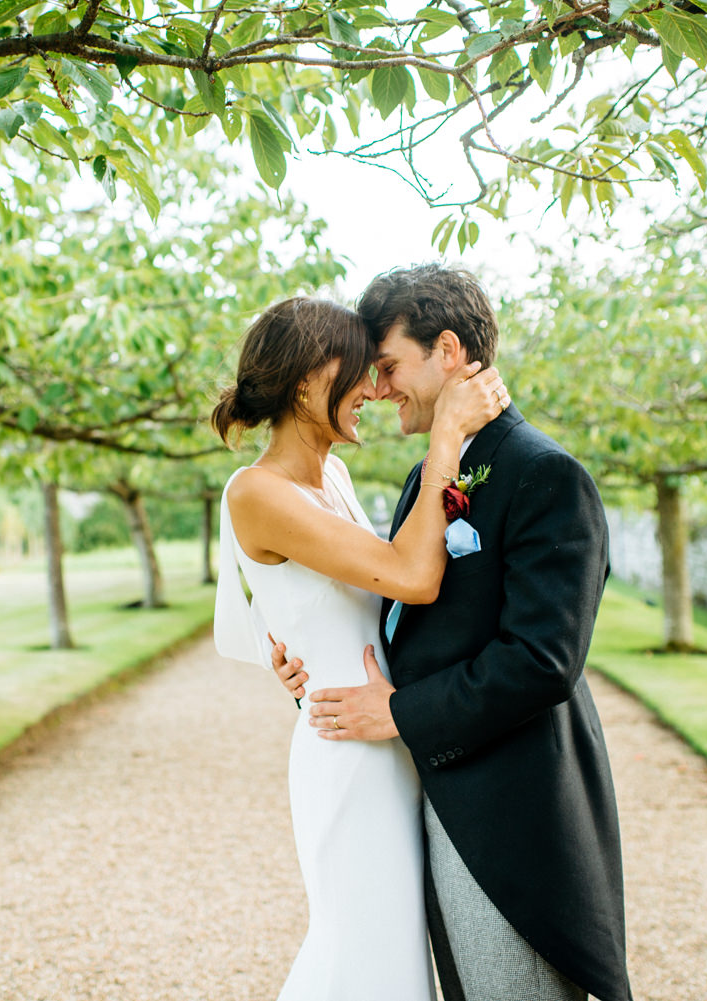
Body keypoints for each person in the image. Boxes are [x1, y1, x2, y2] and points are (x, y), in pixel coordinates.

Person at [271, 265, 633, 1001]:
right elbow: (402, 610)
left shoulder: (545, 474)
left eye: (389, 366)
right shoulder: (426, 479)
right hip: (436, 802)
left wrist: (398, 712)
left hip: (510, 822)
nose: (377, 388)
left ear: (446, 350)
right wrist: (314, 660)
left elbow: (541, 660)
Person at [211, 295, 507, 1000]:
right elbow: (411, 574)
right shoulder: (257, 491)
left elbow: (369, 601)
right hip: (344, 752)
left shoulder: (333, 478)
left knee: (396, 953)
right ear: (310, 380)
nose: (376, 391)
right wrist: (447, 439)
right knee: (360, 949)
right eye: (361, 373)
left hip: (390, 739)